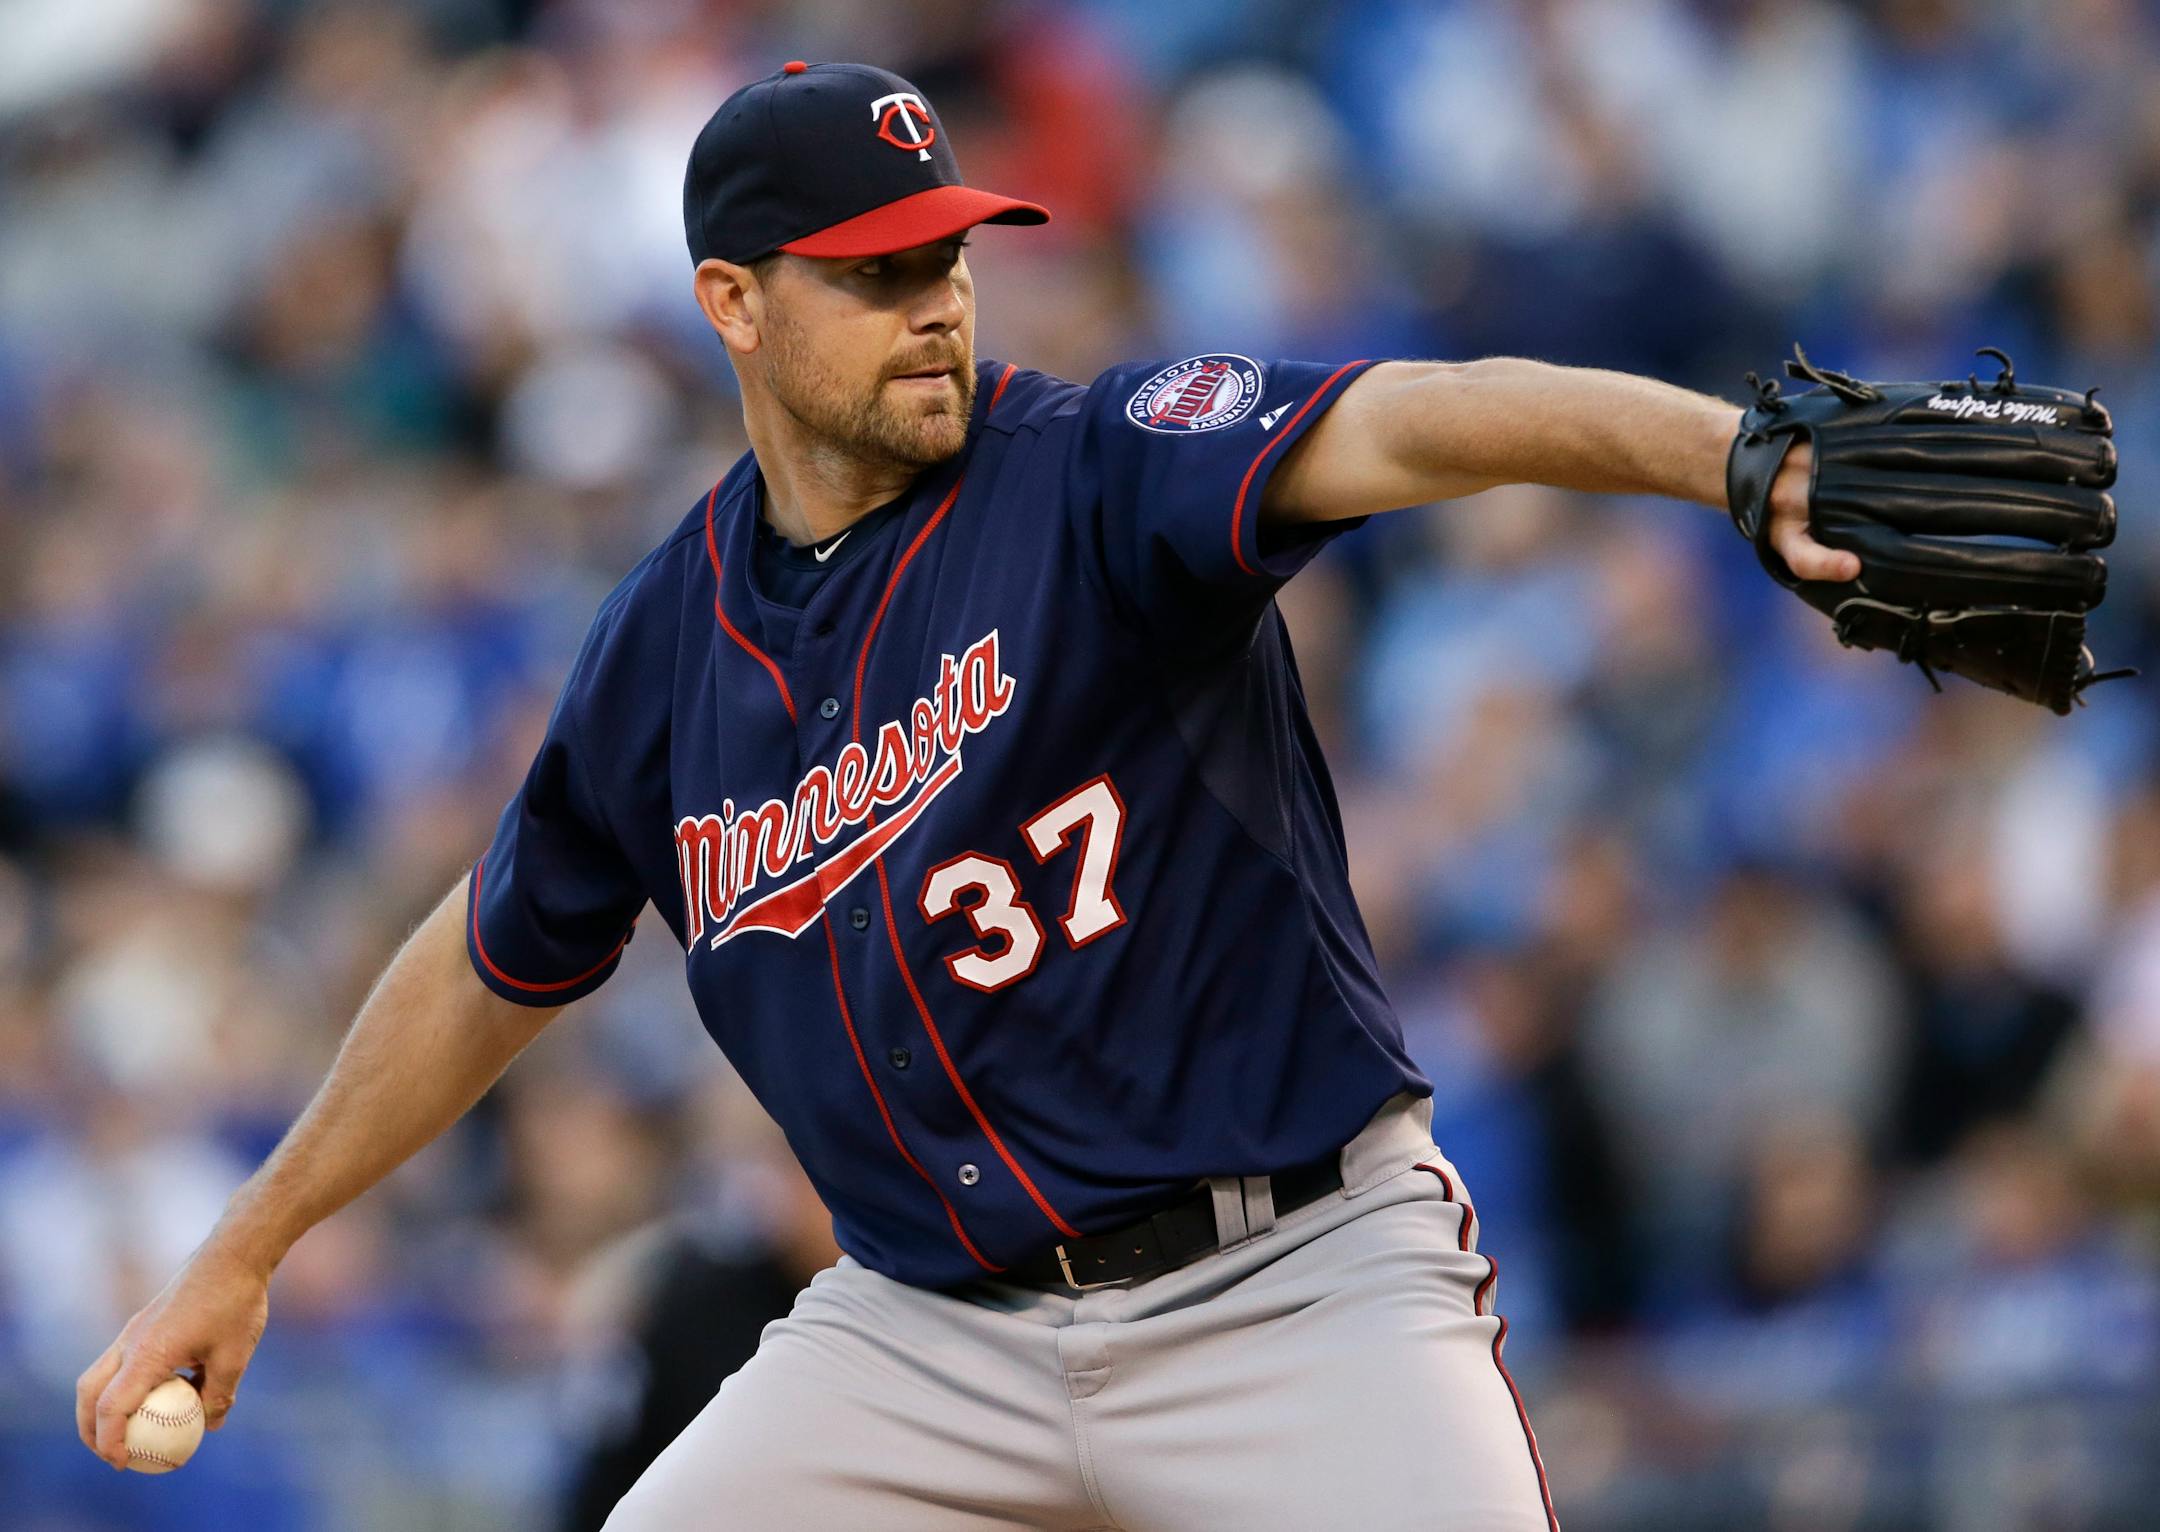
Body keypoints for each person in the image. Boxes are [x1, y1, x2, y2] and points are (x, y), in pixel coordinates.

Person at [79, 61, 1844, 1529]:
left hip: (1293, 1286)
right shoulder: (662, 650)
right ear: (735, 306)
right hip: (927, 1342)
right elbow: (491, 960)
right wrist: (246, 1248)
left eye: (949, 258)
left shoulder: (1099, 464)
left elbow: (1426, 414)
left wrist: (1730, 458)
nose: (934, 306)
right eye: (874, 274)